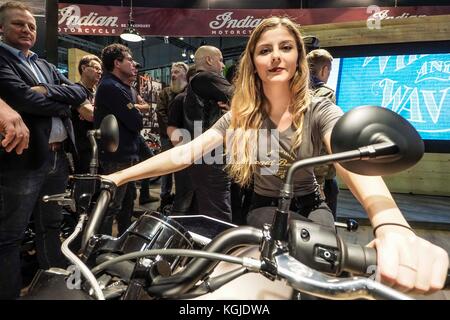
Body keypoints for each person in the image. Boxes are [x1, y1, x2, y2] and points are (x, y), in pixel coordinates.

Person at [104, 17, 448, 293]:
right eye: (265, 50)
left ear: (297, 56)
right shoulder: (241, 114)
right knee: (258, 285)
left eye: (285, 47)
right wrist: (116, 177)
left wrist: (391, 224)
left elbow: (347, 157)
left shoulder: (318, 109)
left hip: (311, 205)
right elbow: (187, 153)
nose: (275, 56)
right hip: (263, 208)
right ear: (253, 61)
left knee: (318, 283)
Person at [0, 1, 87, 299]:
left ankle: (53, 289)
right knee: (9, 235)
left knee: (50, 226)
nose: (26, 30)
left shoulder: (45, 64)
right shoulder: (1, 59)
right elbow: (24, 100)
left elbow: (80, 91)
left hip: (57, 158)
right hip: (21, 158)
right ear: (1, 28)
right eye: (18, 24)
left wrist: (47, 90)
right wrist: (63, 102)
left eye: (31, 26)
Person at [94, 44, 142, 236]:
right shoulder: (110, 87)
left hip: (124, 153)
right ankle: (99, 249)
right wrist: (137, 112)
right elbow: (136, 121)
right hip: (116, 156)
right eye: (129, 60)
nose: (134, 64)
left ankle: (122, 241)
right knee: (111, 205)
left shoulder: (119, 86)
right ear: (117, 63)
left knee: (128, 200)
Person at [182, 45, 233, 221]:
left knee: (206, 209)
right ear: (209, 60)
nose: (223, 65)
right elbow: (241, 97)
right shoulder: (206, 77)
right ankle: (220, 248)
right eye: (220, 60)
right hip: (212, 157)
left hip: (202, 156)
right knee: (218, 213)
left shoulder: (195, 82)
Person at [307, 49, 339, 218]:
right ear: (324, 70)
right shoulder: (325, 93)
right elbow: (320, 137)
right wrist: (318, 180)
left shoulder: (293, 90)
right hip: (318, 175)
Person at [156, 62, 189, 210]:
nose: (173, 75)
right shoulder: (165, 92)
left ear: (185, 74)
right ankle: (165, 196)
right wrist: (172, 134)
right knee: (166, 169)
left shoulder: (189, 91)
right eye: (172, 72)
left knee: (183, 168)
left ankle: (181, 197)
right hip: (167, 137)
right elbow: (161, 113)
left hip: (186, 137)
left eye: (177, 72)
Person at [72, 54, 102, 174]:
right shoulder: (76, 89)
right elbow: (91, 115)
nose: (99, 72)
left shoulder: (99, 92)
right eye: (96, 68)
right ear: (84, 68)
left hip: (100, 146)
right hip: (83, 147)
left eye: (101, 70)